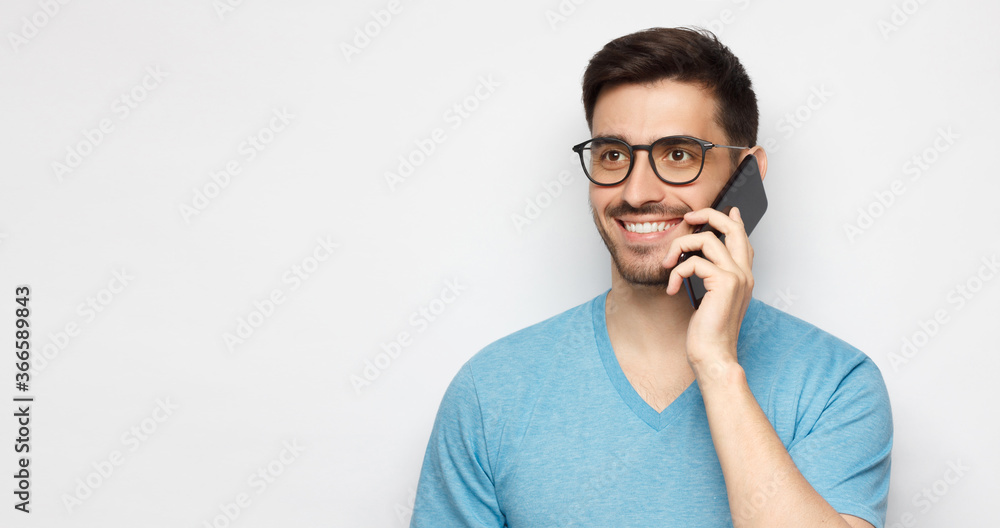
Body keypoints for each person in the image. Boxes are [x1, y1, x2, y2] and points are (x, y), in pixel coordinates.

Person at [409, 27, 892, 528]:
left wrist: (717, 367)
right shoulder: (491, 390)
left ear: (746, 172)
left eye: (678, 154)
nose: (636, 193)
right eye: (613, 155)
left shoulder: (835, 384)